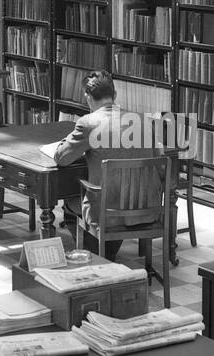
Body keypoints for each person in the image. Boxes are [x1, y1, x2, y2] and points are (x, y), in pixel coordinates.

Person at [52, 70, 157, 259]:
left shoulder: (88, 123)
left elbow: (61, 157)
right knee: (116, 197)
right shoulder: (143, 120)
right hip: (146, 208)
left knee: (70, 204)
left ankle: (97, 256)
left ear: (88, 97)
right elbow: (158, 160)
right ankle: (108, 253)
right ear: (114, 95)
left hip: (107, 213)